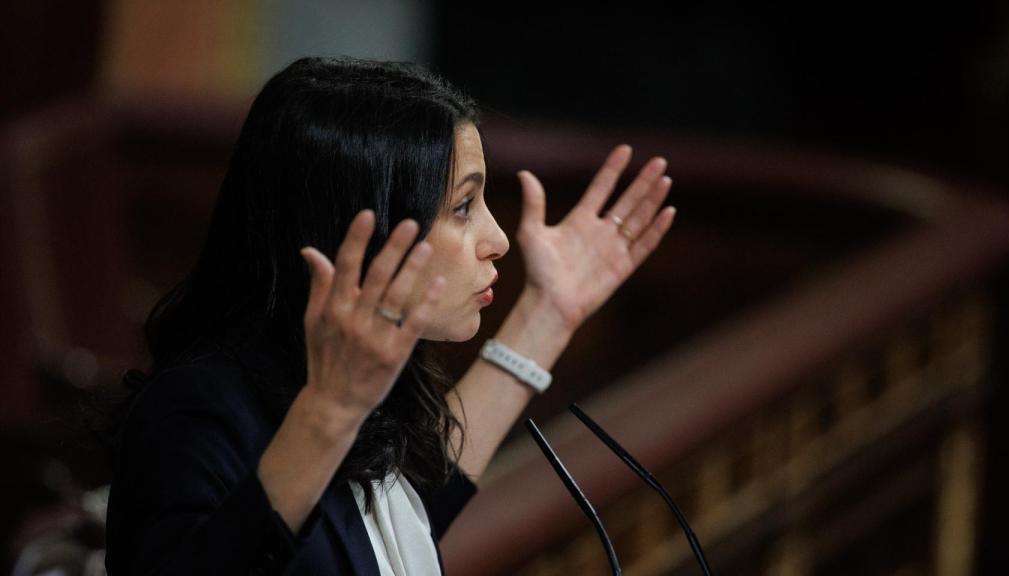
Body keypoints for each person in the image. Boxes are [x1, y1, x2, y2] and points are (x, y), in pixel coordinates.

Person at [104, 56, 675, 575]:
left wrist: (549, 314)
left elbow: (404, 515)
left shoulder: (332, 384)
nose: (498, 239)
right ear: (364, 227)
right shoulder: (195, 412)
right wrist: (330, 415)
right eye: (462, 207)